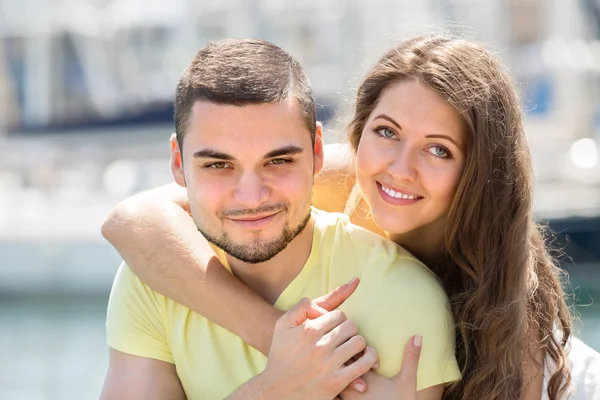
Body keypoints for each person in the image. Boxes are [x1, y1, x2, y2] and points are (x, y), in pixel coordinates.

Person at [102, 35, 600, 399]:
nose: (400, 169)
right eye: (386, 132)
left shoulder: (515, 327)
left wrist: (331, 376)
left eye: (440, 150)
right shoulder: (338, 172)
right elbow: (131, 221)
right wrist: (294, 351)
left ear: (481, 168)